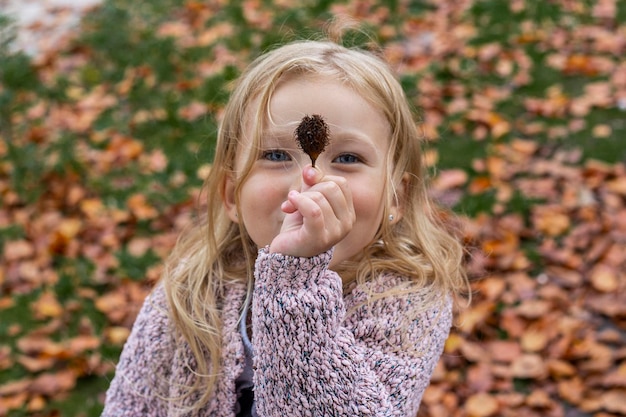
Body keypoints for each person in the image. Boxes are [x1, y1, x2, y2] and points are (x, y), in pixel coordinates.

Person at [101, 37, 468, 417]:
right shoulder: (191, 288)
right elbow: (131, 406)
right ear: (231, 195)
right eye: (275, 155)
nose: (310, 181)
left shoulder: (408, 304)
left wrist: (296, 284)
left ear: (396, 197)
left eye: (347, 158)